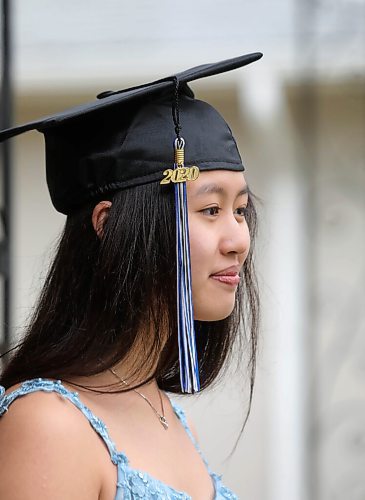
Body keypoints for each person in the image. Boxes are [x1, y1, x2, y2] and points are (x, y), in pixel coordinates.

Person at [0, 52, 262, 499]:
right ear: (107, 224)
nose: (238, 239)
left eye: (239, 211)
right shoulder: (50, 422)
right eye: (210, 209)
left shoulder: (171, 415)